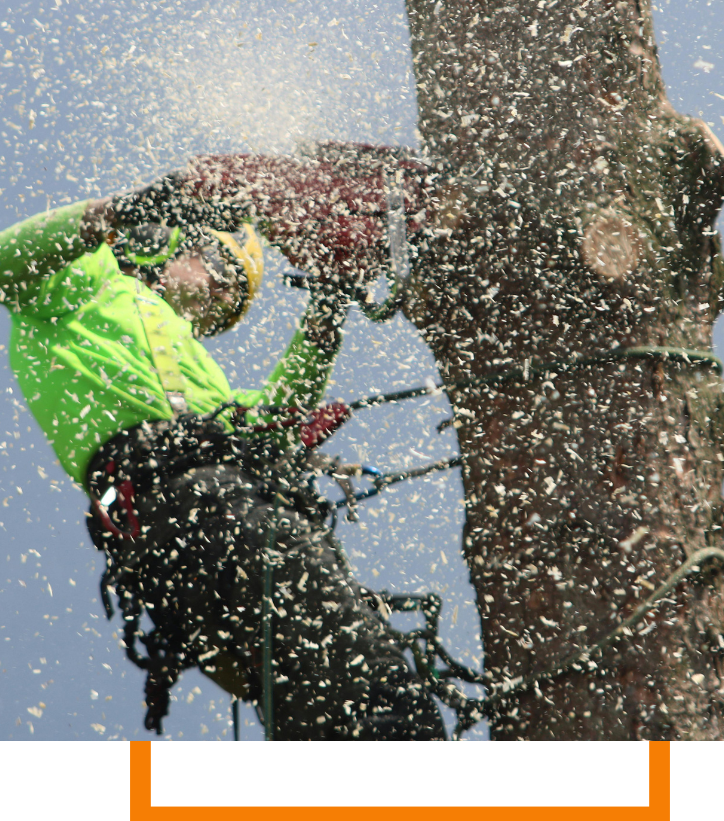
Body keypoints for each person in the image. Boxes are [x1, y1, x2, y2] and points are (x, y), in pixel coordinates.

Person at [0, 147, 445, 738]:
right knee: (372, 689)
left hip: (193, 522)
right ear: (167, 240)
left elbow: (272, 427)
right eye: (218, 267)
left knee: (321, 702)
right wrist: (124, 210)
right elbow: (6, 260)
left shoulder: (195, 374)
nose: (218, 293)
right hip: (190, 503)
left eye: (230, 298)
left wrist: (328, 307)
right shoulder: (83, 281)